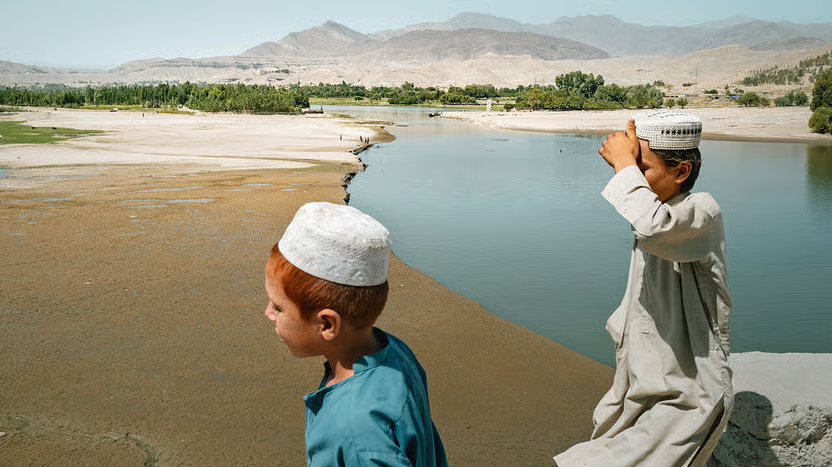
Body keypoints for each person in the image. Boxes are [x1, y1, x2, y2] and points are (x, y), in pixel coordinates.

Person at [554, 111, 733, 467]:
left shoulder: (700, 213)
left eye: (642, 169)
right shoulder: (659, 211)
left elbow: (653, 227)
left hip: (685, 395)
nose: (634, 177)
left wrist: (623, 162)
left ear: (681, 171)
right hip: (638, 385)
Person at [264, 202, 448, 467]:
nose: (268, 313)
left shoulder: (356, 432)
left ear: (327, 324)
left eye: (278, 307)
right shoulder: (394, 351)